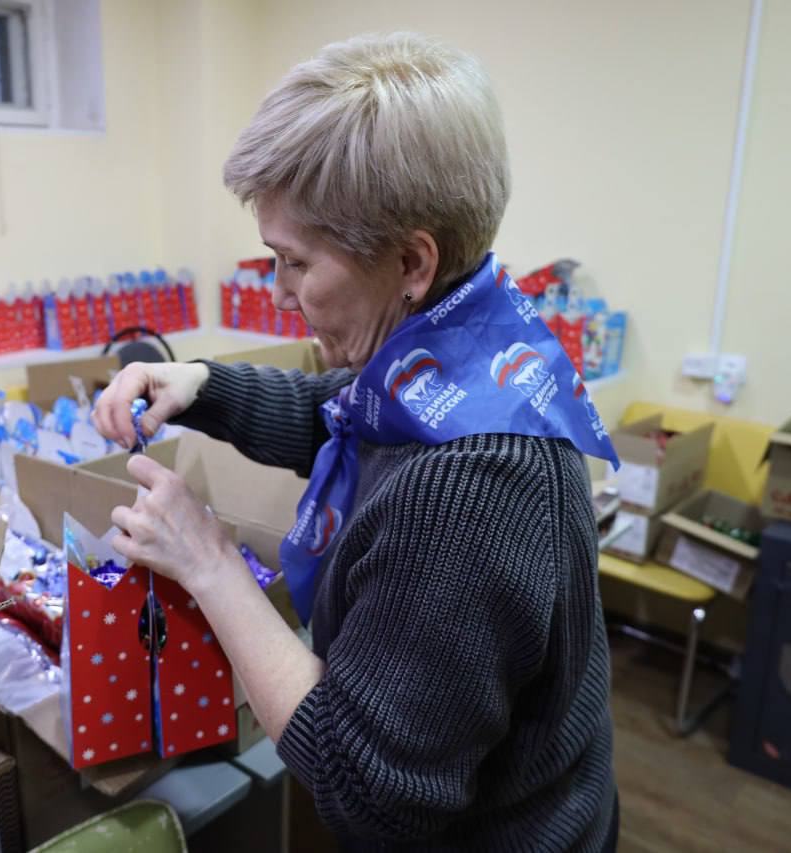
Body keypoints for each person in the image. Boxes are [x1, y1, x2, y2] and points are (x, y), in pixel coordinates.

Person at [93, 33, 620, 852]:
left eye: (296, 263)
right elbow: (340, 418)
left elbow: (366, 790)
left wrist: (209, 563)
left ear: (410, 260)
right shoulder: (465, 346)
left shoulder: (470, 491)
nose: (280, 293)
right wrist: (202, 384)